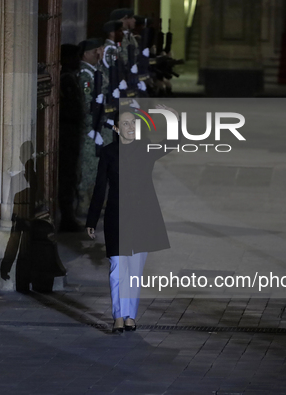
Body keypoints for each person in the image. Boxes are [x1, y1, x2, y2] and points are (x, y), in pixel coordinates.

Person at [85, 107, 174, 333]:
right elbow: (100, 187)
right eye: (125, 123)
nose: (131, 126)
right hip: (116, 217)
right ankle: (118, 316)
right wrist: (91, 220)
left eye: (133, 122)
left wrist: (173, 117)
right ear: (116, 129)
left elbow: (172, 142)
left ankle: (129, 316)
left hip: (142, 219)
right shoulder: (107, 153)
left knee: (134, 272)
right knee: (117, 268)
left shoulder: (146, 148)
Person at [77, 38, 112, 216]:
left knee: (99, 165)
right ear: (85, 54)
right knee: (89, 166)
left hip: (100, 124)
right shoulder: (85, 74)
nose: (97, 54)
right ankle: (85, 204)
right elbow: (86, 104)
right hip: (91, 127)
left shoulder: (94, 71)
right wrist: (92, 128)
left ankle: (96, 201)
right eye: (94, 52)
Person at [58, 44, 85, 231]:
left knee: (72, 174)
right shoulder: (66, 79)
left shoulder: (71, 78)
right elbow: (71, 109)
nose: (78, 61)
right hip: (67, 133)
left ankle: (70, 215)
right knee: (67, 175)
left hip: (72, 132)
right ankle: (67, 217)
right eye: (75, 57)